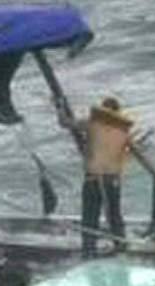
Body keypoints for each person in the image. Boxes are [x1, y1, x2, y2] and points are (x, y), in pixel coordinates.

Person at [58, 97, 134, 257]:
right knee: (114, 215)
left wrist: (59, 106)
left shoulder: (93, 125)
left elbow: (65, 123)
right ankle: (120, 245)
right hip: (113, 180)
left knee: (90, 216)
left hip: (94, 179)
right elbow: (127, 153)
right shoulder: (123, 131)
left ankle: (89, 250)